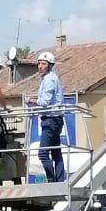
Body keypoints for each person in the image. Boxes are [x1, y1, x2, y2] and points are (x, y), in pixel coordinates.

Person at [33, 50, 66, 185]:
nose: (40, 66)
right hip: (53, 119)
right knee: (56, 152)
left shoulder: (50, 79)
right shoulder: (47, 79)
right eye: (39, 63)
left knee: (43, 153)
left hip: (51, 119)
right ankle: (59, 180)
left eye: (43, 64)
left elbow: (45, 101)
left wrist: (33, 101)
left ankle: (52, 181)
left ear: (50, 65)